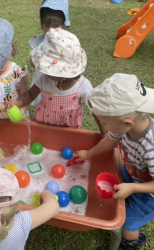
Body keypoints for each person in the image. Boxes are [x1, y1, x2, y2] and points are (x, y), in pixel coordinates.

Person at [75, 73, 154, 250]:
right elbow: (110, 141)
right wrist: (89, 153)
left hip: (148, 196)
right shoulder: (123, 128)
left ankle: (131, 243)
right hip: (133, 172)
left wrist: (133, 188)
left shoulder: (150, 147)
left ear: (127, 123)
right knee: (121, 199)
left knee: (128, 221)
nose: (102, 126)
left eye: (104, 122)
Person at [6, 28, 105, 135]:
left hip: (69, 130)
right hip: (43, 126)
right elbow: (30, 94)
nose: (45, 72)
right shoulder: (44, 78)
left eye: (50, 70)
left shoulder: (82, 85)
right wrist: (19, 102)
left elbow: (95, 110)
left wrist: (104, 133)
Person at [29, 0, 70, 105]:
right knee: (44, 102)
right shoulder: (39, 41)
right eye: (47, 25)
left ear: (63, 24)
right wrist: (36, 60)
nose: (51, 30)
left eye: (56, 26)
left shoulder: (67, 42)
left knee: (58, 103)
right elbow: (32, 62)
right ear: (42, 24)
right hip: (42, 80)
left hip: (60, 79)